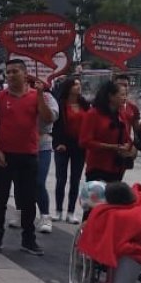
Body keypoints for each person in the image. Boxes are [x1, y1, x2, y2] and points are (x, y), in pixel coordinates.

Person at [0, 59, 54, 256]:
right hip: (5, 154)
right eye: (8, 72)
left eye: (15, 71)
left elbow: (48, 119)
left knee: (27, 199)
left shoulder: (36, 96)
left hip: (29, 155)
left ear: (25, 74)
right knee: (0, 198)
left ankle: (28, 239)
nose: (11, 75)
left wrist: (41, 95)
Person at [79, 80, 136, 183]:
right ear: (111, 96)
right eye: (122, 95)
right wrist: (111, 147)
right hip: (98, 166)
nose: (125, 98)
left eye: (126, 95)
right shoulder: (93, 114)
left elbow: (127, 136)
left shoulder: (121, 113)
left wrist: (130, 148)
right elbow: (84, 141)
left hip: (117, 166)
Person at [52, 76, 89, 224]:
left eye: (79, 84)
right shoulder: (60, 104)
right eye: (75, 84)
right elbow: (55, 126)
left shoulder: (84, 104)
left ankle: (71, 211)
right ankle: (58, 210)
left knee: (75, 180)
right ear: (69, 87)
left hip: (79, 146)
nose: (78, 87)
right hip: (63, 145)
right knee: (61, 179)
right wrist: (57, 143)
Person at [35, 81, 60, 234]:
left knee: (39, 181)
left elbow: (50, 117)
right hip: (21, 144)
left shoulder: (48, 97)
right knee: (19, 181)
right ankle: (20, 210)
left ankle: (45, 215)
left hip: (42, 144)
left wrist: (39, 97)